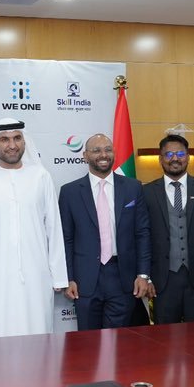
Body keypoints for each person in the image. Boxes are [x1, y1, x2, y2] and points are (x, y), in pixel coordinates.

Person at [0, 118, 67, 338]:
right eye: (5, 139)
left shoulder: (40, 176)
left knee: (38, 333)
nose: (12, 145)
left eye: (17, 138)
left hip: (36, 274)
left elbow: (54, 229)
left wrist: (58, 276)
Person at [58, 133, 150, 330]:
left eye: (108, 149)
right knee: (88, 344)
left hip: (123, 277)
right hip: (85, 280)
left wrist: (143, 275)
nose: (103, 154)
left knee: (119, 344)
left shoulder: (133, 188)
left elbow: (142, 233)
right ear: (85, 155)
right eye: (96, 150)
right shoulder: (69, 192)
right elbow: (66, 239)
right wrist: (68, 277)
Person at [142, 134, 194, 324]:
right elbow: (142, 238)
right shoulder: (146, 192)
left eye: (180, 153)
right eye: (169, 154)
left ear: (188, 157)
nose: (175, 158)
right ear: (160, 159)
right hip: (162, 282)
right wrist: (145, 277)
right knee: (164, 342)